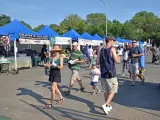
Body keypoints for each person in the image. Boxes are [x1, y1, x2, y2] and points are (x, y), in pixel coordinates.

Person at [96, 36, 120, 115]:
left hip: (103, 73)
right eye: (113, 40)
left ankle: (108, 105)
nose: (114, 42)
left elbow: (97, 62)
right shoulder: (112, 49)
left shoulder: (101, 49)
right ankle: (106, 104)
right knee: (113, 90)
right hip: (111, 73)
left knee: (106, 91)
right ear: (109, 41)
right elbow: (116, 61)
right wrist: (118, 58)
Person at [44, 45, 64, 109]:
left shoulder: (61, 57)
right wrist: (46, 65)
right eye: (54, 51)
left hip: (57, 73)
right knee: (55, 88)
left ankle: (50, 103)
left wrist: (56, 65)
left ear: (58, 51)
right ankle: (61, 98)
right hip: (52, 72)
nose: (55, 52)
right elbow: (49, 65)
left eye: (56, 51)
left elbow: (61, 67)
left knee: (53, 88)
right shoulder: (51, 57)